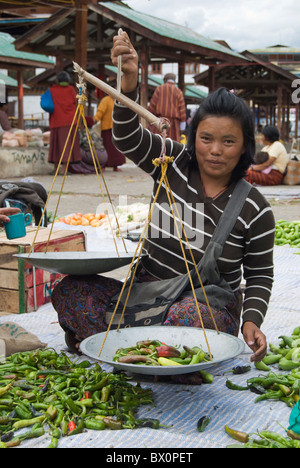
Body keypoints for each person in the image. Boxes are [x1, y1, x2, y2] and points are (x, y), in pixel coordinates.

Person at [51, 31, 275, 365]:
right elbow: (127, 137)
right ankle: (149, 357)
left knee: (189, 322)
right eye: (206, 138)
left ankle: (125, 349)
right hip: (143, 296)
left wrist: (252, 319)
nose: (215, 150)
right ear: (192, 137)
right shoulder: (172, 161)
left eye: (228, 141)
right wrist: (129, 83)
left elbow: (260, 276)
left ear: (245, 146)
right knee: (70, 292)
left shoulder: (255, 208)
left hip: (203, 306)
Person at [48, 71, 81, 175]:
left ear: (57, 81)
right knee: (66, 146)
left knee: (56, 146)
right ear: (68, 80)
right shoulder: (71, 90)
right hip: (69, 122)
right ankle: (64, 170)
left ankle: (56, 168)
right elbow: (77, 103)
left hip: (56, 121)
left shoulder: (51, 90)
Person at [148, 72, 187, 142]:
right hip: (173, 124)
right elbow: (182, 111)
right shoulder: (178, 92)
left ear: (165, 80)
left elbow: (152, 107)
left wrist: (150, 122)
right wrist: (182, 129)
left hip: (160, 122)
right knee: (172, 145)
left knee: (158, 143)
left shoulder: (159, 89)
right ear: (174, 80)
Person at [94, 93, 126, 171]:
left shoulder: (119, 101)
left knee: (117, 149)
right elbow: (100, 112)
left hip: (118, 128)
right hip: (107, 128)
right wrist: (95, 120)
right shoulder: (106, 100)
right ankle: (103, 165)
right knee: (107, 148)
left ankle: (116, 166)